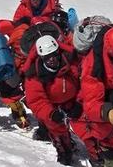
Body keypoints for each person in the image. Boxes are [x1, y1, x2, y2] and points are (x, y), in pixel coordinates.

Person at [74, 25, 113, 166]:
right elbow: (91, 103)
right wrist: (107, 112)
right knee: (112, 151)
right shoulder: (93, 66)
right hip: (108, 117)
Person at [24, 36, 82, 165]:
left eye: (54, 55)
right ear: (41, 58)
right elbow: (37, 101)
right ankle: (64, 150)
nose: (52, 59)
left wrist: (79, 102)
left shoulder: (71, 62)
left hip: (72, 101)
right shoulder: (34, 74)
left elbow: (82, 83)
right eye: (47, 57)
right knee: (57, 128)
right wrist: (51, 114)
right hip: (52, 107)